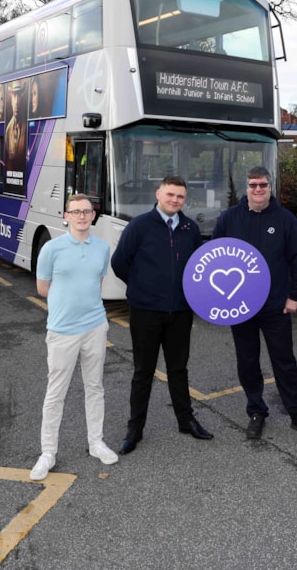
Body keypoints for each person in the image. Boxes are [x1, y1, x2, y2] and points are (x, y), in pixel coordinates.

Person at [213, 166, 297, 440]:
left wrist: (295, 296)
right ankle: (256, 411)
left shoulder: (285, 220)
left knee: (284, 361)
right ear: (246, 187)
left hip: (275, 306)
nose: (258, 190)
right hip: (240, 308)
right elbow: (215, 260)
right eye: (252, 185)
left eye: (263, 185)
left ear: (270, 187)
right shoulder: (229, 219)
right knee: (247, 362)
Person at [110, 176, 212, 455]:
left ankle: (186, 420)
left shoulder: (190, 228)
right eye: (170, 195)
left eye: (180, 196)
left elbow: (197, 267)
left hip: (180, 312)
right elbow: (119, 263)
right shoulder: (139, 226)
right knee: (143, 371)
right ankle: (135, 429)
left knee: (178, 369)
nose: (175, 200)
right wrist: (142, 287)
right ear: (158, 193)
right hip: (146, 312)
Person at [29, 194, 118, 481]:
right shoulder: (51, 249)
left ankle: (96, 443)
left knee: (95, 387)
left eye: (87, 211)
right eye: (76, 211)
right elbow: (43, 289)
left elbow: (97, 282)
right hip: (62, 331)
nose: (82, 216)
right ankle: (48, 453)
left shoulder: (102, 248)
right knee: (56, 393)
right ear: (66, 215)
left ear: (94, 216)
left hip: (95, 326)